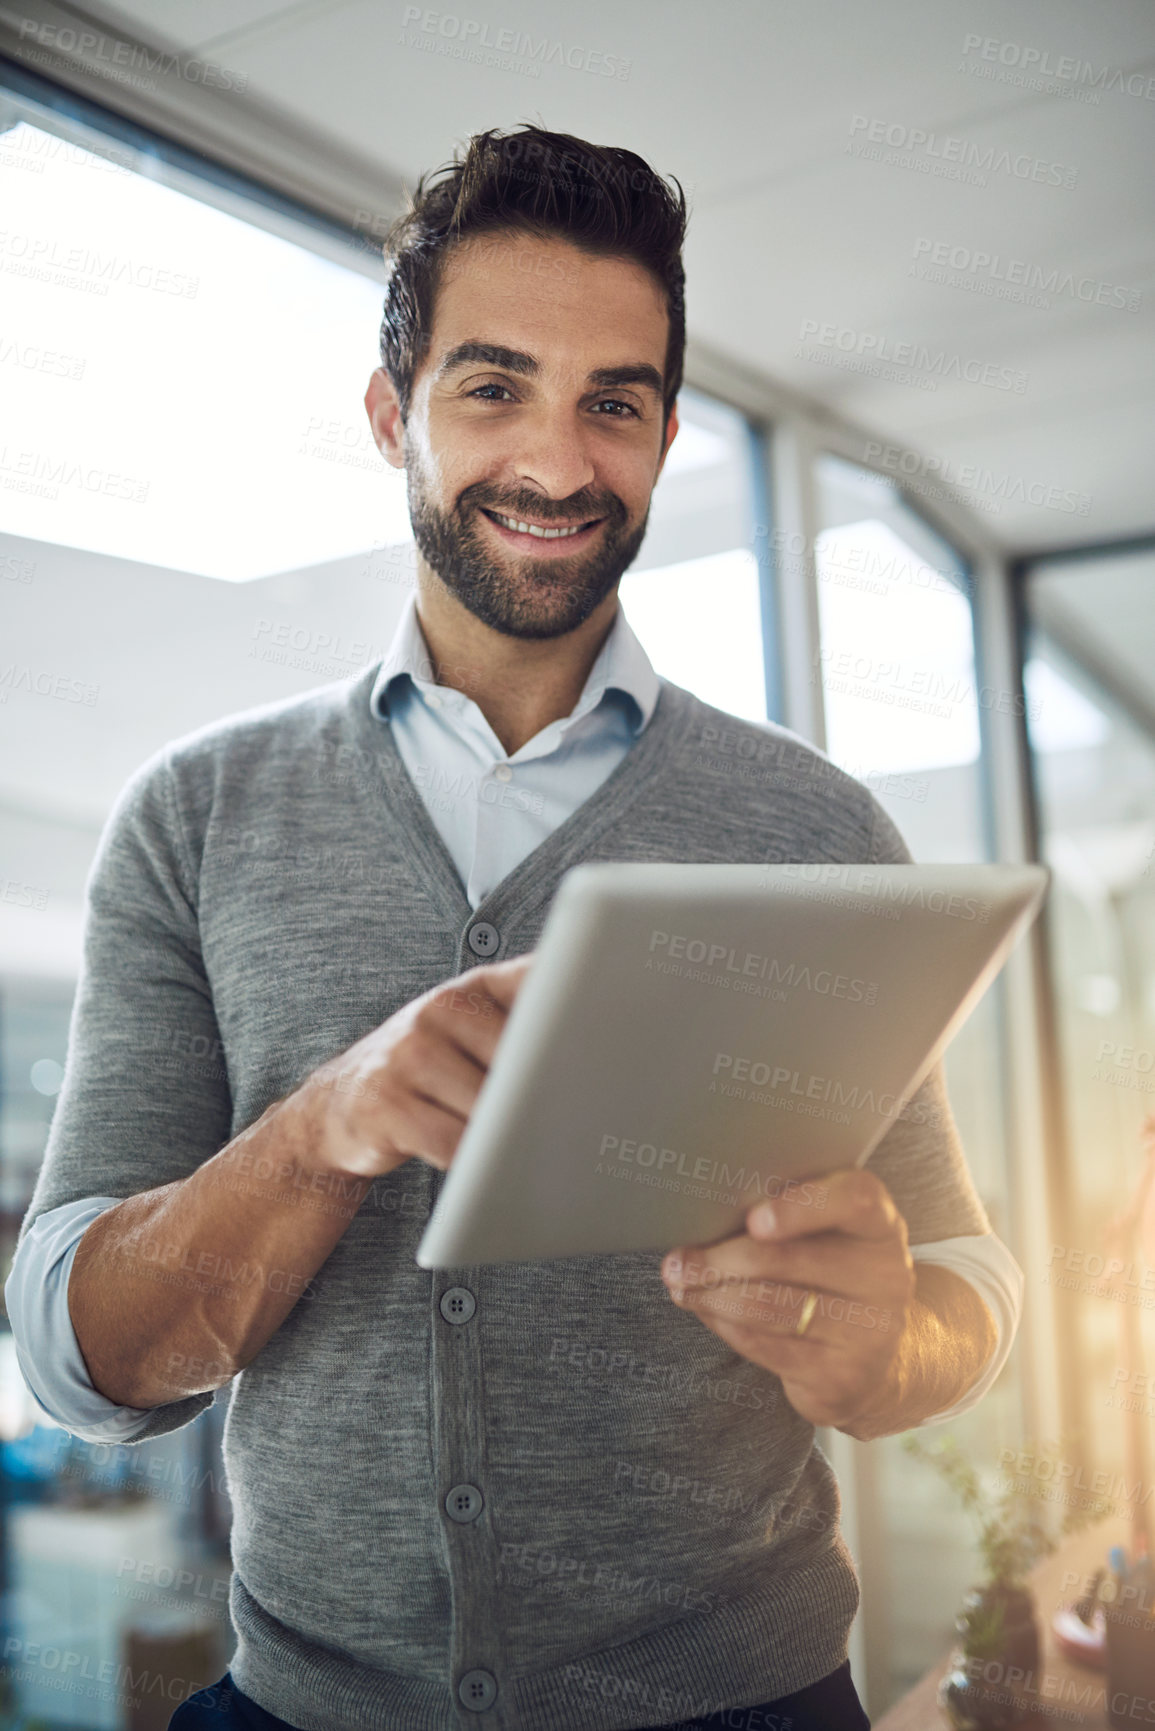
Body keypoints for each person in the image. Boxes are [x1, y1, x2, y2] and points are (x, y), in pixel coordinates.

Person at [7, 125, 1023, 1731]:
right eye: (492, 388)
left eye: (612, 402)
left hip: (745, 1702)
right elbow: (81, 1356)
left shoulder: (818, 832)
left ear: (667, 432)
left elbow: (962, 1278)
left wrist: (896, 1343)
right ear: (387, 413)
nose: (556, 464)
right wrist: (323, 1126)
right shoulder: (195, 819)